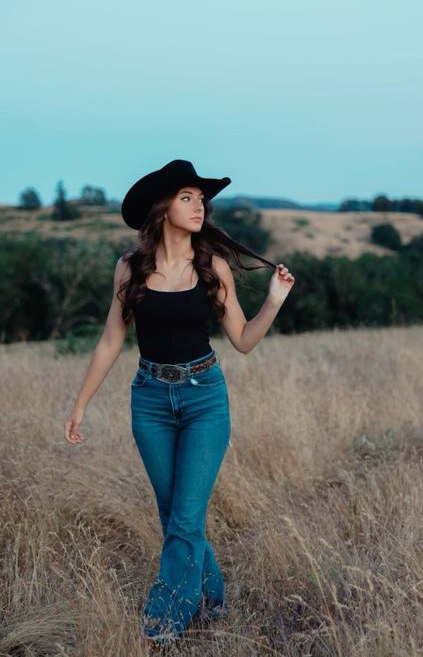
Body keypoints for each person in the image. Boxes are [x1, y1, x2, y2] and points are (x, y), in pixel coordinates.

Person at [63, 159, 295, 644]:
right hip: (148, 401)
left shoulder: (213, 266)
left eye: (200, 198)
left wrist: (273, 300)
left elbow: (243, 340)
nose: (199, 205)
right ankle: (212, 600)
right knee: (174, 515)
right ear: (162, 208)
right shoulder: (130, 268)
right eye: (186, 197)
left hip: (204, 400)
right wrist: (81, 404)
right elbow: (110, 341)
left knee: (185, 518)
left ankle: (163, 621)